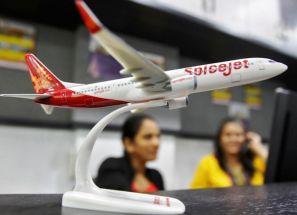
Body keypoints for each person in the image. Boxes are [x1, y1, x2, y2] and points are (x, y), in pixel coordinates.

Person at [190, 117, 268, 189]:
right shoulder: (208, 162)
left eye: (238, 135)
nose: (233, 139)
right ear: (220, 138)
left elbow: (278, 176)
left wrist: (259, 148)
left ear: (245, 138)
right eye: (228, 135)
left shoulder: (256, 161)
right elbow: (195, 194)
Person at [94, 113, 164, 193]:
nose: (156, 143)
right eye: (148, 137)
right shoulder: (111, 167)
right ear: (129, 144)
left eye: (158, 137)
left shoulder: (156, 176)